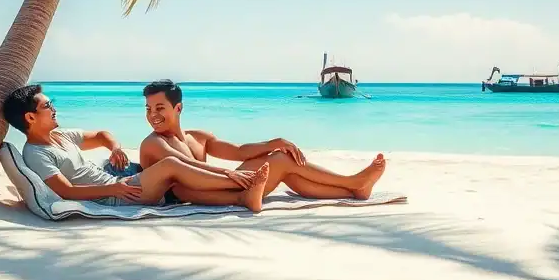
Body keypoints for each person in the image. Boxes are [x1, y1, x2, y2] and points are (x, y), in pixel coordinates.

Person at [2, 84, 270, 212]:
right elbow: (67, 191)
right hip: (115, 196)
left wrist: (115, 148)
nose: (54, 108)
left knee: (178, 182)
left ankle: (242, 195)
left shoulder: (62, 136)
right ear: (30, 117)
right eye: (47, 105)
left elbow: (102, 135)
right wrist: (114, 189)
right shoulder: (36, 153)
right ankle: (242, 182)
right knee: (170, 165)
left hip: (120, 183)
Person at [138, 79, 387, 206]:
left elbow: (239, 151)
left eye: (160, 108)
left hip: (224, 185)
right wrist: (233, 175)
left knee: (284, 160)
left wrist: (272, 143)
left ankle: (352, 189)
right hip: (199, 194)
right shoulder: (153, 143)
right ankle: (353, 184)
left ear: (178, 108)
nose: (153, 115)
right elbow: (186, 167)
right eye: (149, 109)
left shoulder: (198, 137)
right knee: (280, 163)